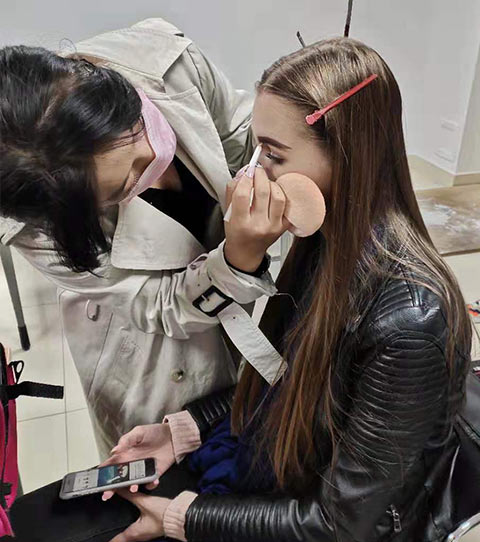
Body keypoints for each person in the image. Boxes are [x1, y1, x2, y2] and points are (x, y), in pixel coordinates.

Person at [1, 34, 473, 542]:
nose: (247, 176)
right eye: (255, 150)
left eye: (270, 154)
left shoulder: (408, 317)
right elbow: (286, 376)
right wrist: (182, 432)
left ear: (347, 153)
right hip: (265, 465)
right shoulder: (322, 249)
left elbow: (338, 521)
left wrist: (179, 517)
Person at [0, 17, 286, 460]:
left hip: (233, 302)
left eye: (136, 127)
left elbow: (242, 141)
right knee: (175, 456)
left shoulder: (166, 61)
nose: (152, 156)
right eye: (124, 185)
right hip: (146, 348)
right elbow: (158, 304)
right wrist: (237, 259)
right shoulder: (37, 228)